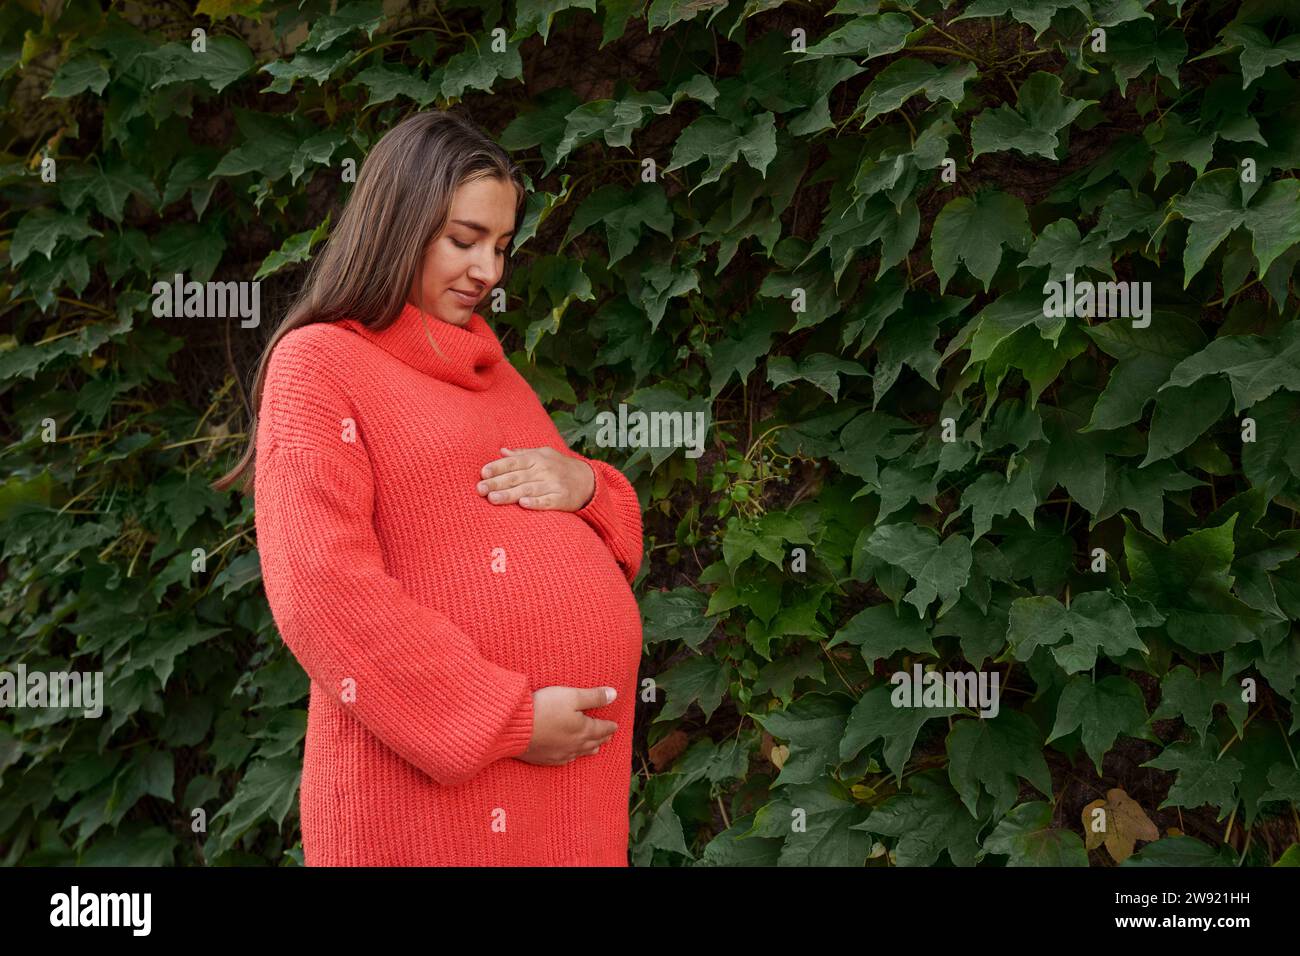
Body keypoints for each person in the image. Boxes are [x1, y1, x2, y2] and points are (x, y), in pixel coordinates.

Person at [212, 110, 645, 866]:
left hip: (571, 797)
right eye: (465, 240)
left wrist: (591, 486)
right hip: (429, 807)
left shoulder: (492, 370)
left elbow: (606, 535)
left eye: (503, 247)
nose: (490, 271)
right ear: (396, 226)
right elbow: (322, 594)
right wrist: (506, 719)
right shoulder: (320, 366)